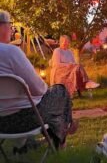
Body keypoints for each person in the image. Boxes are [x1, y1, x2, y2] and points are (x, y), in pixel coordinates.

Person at [0, 10, 77, 149]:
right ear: (2, 27)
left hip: (1, 124)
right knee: (60, 90)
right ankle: (62, 137)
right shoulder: (11, 51)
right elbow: (39, 89)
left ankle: (30, 143)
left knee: (51, 104)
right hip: (24, 120)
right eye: (10, 25)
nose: (11, 30)